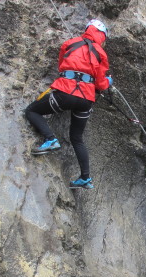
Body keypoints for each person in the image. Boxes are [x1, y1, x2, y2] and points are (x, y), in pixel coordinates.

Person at [25, 19, 112, 189]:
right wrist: (108, 81)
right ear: (102, 36)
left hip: (66, 93)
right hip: (86, 100)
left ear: (88, 29)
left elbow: (61, 67)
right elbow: (101, 85)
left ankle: (50, 139)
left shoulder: (70, 43)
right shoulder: (101, 53)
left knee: (32, 111)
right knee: (77, 138)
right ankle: (85, 178)